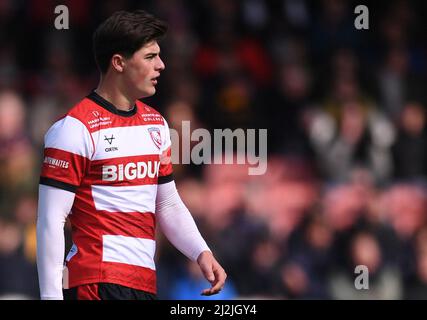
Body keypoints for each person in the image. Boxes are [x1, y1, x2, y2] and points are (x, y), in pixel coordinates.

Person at [36, 10, 226, 300]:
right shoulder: (74, 130)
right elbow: (51, 220)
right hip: (94, 283)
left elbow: (168, 204)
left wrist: (200, 251)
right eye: (150, 57)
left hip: (144, 284)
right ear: (119, 63)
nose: (161, 65)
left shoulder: (156, 125)